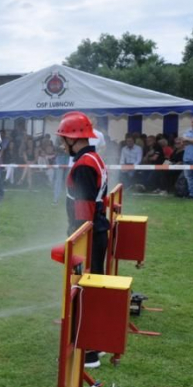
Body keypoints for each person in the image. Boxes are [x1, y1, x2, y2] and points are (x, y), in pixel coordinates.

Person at [56, 112, 110, 369]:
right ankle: (95, 345)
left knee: (84, 290)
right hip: (95, 232)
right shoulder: (93, 157)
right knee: (91, 287)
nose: (61, 144)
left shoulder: (84, 165)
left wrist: (76, 240)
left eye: (63, 139)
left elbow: (85, 208)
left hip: (87, 236)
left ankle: (88, 352)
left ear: (72, 138)